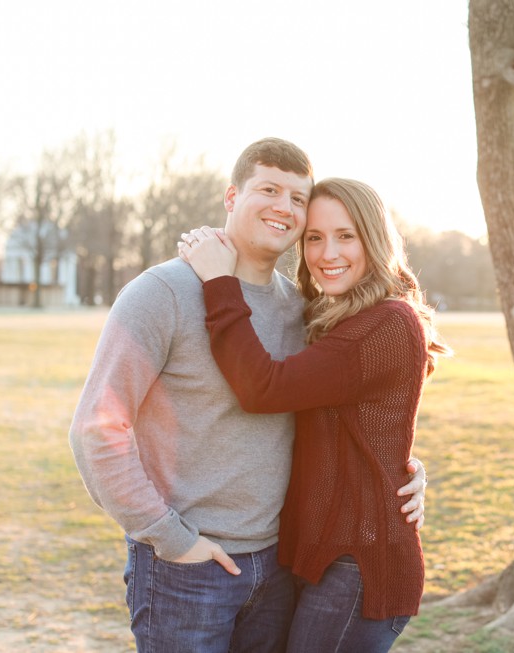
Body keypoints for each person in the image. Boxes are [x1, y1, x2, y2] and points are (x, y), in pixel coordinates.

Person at [68, 139, 427, 653]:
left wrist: (405, 469)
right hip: (189, 569)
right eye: (268, 189)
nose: (284, 207)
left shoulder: (301, 310)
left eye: (298, 198)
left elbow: (349, 410)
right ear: (232, 196)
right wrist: (170, 538)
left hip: (281, 567)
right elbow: (96, 429)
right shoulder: (161, 293)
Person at [178, 177, 450, 653]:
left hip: (357, 567)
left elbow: (264, 388)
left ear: (375, 238)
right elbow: (367, 424)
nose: (328, 253)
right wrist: (402, 469)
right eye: (314, 238)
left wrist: (220, 283)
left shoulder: (385, 323)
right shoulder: (335, 316)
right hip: (327, 556)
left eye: (346, 236)